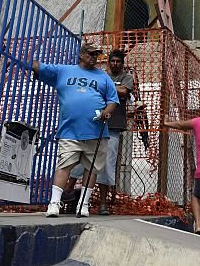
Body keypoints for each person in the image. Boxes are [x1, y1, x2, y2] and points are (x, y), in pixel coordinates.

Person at [31, 42, 119, 218]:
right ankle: (54, 203)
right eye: (91, 53)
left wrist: (106, 113)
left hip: (96, 131)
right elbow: (37, 67)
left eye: (96, 54)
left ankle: (83, 204)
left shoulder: (104, 77)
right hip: (69, 131)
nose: (94, 57)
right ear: (81, 55)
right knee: (65, 165)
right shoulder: (63, 70)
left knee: (92, 169)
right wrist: (24, 59)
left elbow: (113, 100)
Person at [70, 48, 134, 215]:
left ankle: (103, 204)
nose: (115, 64)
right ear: (108, 62)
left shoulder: (126, 77)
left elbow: (124, 91)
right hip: (93, 125)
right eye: (112, 61)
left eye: (118, 61)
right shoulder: (100, 75)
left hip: (113, 127)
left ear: (122, 63)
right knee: (79, 160)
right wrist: (112, 87)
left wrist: (106, 85)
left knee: (106, 165)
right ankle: (67, 195)